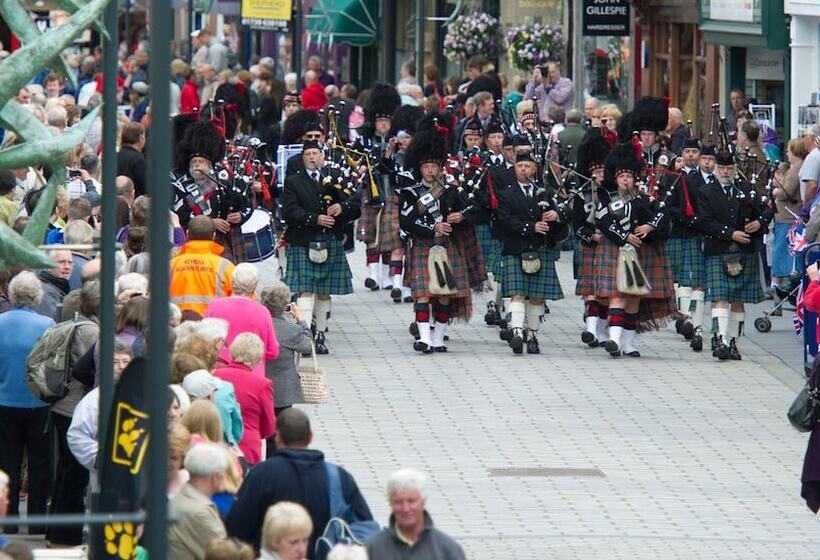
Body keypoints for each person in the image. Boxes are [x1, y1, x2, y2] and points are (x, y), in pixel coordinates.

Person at [226, 409, 373, 555]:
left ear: (278, 438)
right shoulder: (339, 477)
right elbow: (365, 528)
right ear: (310, 437)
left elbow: (237, 529)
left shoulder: (261, 475)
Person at [282, 139, 361, 354]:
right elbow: (288, 212)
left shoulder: (335, 179)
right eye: (308, 154)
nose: (312, 157)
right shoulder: (293, 182)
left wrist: (341, 207)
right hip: (303, 240)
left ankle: (321, 335)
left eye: (315, 153)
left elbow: (356, 206)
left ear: (322, 156)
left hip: (330, 241)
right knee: (306, 291)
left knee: (325, 292)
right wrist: (315, 219)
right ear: (302, 157)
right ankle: (305, 337)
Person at [399, 120, 471, 353]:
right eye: (426, 166)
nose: (430, 170)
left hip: (445, 247)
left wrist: (461, 217)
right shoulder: (410, 193)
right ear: (419, 168)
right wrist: (434, 229)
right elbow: (407, 222)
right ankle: (424, 339)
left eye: (434, 166)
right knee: (422, 295)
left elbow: (469, 211)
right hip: (422, 245)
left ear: (440, 167)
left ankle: (438, 338)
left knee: (443, 296)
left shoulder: (451, 191)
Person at [697, 149, 773, 360]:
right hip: (719, 250)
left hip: (743, 251)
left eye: (730, 168)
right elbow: (704, 222)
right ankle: (720, 340)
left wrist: (759, 223)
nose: (726, 172)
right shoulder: (705, 191)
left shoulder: (746, 188)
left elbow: (768, 210)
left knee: (738, 300)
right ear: (716, 168)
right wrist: (731, 233)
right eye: (722, 168)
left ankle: (733, 342)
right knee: (720, 298)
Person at [495, 152, 567, 354]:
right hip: (516, 248)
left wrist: (557, 215)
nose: (523, 169)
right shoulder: (506, 194)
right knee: (517, 294)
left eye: (527, 166)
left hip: (540, 249)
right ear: (515, 168)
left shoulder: (546, 192)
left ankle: (532, 334)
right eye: (520, 166)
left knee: (537, 296)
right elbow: (505, 221)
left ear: (534, 169)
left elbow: (566, 213)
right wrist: (530, 227)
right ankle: (517, 333)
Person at [0, 272, 55, 535]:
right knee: (40, 463)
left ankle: (8, 518)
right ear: (37, 296)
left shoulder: (0, 322)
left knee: (7, 461)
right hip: (38, 403)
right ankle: (37, 522)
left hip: (5, 400)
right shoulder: (47, 324)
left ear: (12, 295)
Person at [365, 468, 464, 559]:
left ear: (423, 502)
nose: (405, 508)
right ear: (390, 504)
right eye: (398, 502)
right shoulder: (372, 548)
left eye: (411, 501)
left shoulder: (447, 550)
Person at [204, 263, 279, 376]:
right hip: (251, 374)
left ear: (232, 282)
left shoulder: (215, 306)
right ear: (254, 287)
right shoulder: (262, 312)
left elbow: (202, 341)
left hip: (218, 374)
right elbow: (272, 351)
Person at [212, 334, 275, 466]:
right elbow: (269, 426)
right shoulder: (262, 384)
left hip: (217, 443)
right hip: (247, 447)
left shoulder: (214, 375)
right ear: (257, 359)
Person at [168, 443, 229, 560]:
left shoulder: (182, 498)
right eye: (224, 472)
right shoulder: (200, 512)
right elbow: (225, 556)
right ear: (215, 477)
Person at [259, 282, 311, 421]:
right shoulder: (291, 330)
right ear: (286, 305)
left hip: (259, 385)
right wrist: (301, 321)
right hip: (284, 390)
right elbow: (308, 346)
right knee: (281, 429)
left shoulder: (256, 325)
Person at [169, 216, 236, 316]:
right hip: (213, 326)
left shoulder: (171, 265)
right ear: (213, 236)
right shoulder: (227, 267)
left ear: (187, 234)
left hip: (177, 326)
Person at [771, 139, 806, 289]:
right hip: (787, 216)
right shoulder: (797, 168)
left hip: (787, 217)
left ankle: (777, 285)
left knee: (782, 250)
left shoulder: (795, 170)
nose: (787, 153)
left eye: (788, 151)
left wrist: (776, 190)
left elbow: (787, 192)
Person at [33, 249, 73, 322]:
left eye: (70, 263)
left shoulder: (58, 288)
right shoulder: (46, 292)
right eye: (61, 262)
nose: (67, 267)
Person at [116, 122, 147, 197]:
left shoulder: (117, 155)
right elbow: (145, 186)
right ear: (140, 138)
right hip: (133, 201)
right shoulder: (138, 159)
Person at [799, 125, 820, 203]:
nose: (802, 139)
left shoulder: (812, 157)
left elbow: (812, 185)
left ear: (810, 138)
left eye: (804, 136)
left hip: (815, 207)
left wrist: (806, 206)